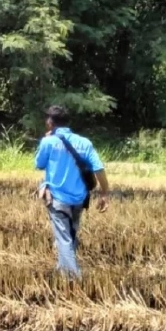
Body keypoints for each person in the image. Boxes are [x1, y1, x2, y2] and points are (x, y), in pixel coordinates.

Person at [34, 106, 110, 280]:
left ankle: (73, 279)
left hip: (57, 199)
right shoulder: (84, 142)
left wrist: (45, 141)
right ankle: (63, 270)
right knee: (71, 236)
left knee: (64, 240)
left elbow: (39, 164)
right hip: (79, 199)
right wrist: (105, 193)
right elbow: (98, 168)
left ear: (50, 122)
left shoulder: (48, 142)